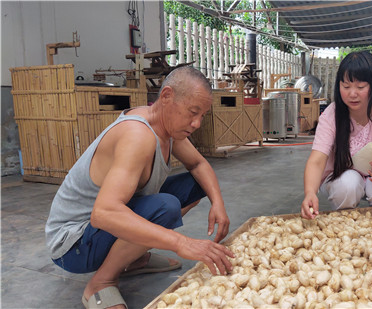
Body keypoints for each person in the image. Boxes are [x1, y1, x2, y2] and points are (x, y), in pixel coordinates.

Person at [45, 66, 234, 309]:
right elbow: (104, 213)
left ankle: (131, 257)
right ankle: (102, 282)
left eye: (202, 116)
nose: (196, 123)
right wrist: (181, 243)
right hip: (73, 244)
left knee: (195, 184)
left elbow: (198, 164)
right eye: (192, 112)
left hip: (98, 231)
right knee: (165, 207)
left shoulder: (168, 128)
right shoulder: (137, 135)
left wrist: (218, 203)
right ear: (166, 96)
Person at [301, 51, 372, 219]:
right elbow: (317, 160)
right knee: (347, 184)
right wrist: (309, 193)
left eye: (360, 87)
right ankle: (345, 222)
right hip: (342, 174)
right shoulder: (331, 115)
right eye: (346, 86)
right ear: (339, 85)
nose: (352, 94)